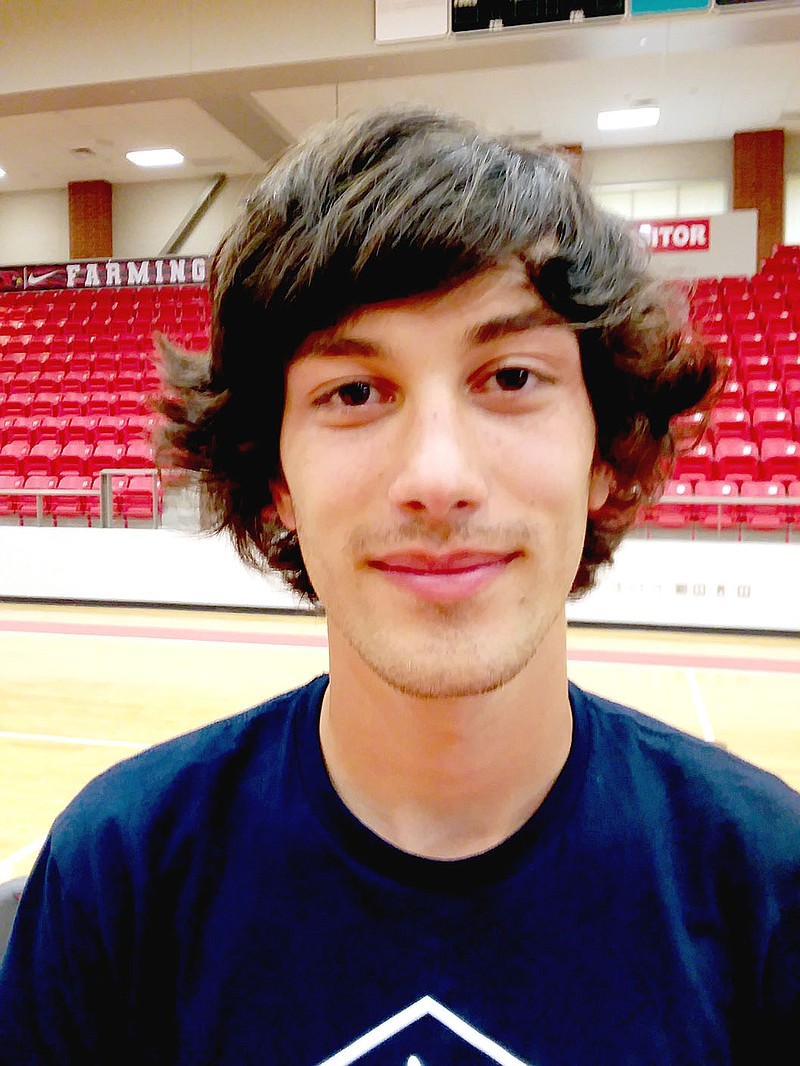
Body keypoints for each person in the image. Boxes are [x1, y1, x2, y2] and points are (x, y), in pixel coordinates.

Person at [1, 106, 798, 1065]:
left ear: (605, 451)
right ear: (275, 475)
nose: (437, 476)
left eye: (511, 378)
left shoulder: (769, 885)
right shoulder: (117, 876)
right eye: (354, 393)